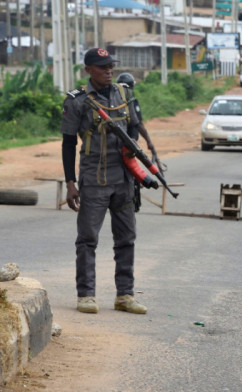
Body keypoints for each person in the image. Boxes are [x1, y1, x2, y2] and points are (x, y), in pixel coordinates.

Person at [61, 48, 148, 315]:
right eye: (102, 67)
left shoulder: (123, 94)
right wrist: (71, 183)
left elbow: (134, 128)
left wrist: (134, 157)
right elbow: (68, 144)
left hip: (123, 180)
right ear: (88, 70)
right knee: (87, 240)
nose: (108, 70)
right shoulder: (77, 101)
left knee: (127, 238)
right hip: (94, 180)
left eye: (110, 66)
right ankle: (86, 295)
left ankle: (125, 295)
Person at [116, 72, 164, 212]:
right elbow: (139, 124)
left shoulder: (114, 98)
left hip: (123, 143)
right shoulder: (130, 99)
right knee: (133, 171)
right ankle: (133, 199)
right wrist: (149, 142)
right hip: (129, 145)